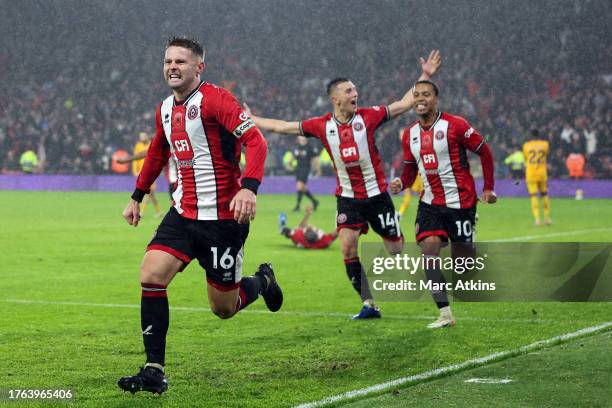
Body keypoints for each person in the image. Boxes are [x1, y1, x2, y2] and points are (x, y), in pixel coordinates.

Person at [117, 37, 283, 395]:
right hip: (183, 214)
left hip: (223, 221)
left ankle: (263, 282)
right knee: (151, 274)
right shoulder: (164, 108)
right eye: (167, 62)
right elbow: (158, 152)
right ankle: (153, 370)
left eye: (180, 61)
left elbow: (257, 142)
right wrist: (137, 196)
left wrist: (249, 188)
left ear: (198, 68)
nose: (172, 67)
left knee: (224, 308)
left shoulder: (217, 100)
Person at [245, 50, 441, 319]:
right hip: (348, 198)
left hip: (377, 196)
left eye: (355, 90)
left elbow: (403, 103)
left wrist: (425, 76)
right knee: (347, 247)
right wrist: (252, 119)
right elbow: (283, 127)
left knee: (396, 250)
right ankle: (369, 305)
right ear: (336, 98)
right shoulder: (321, 126)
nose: (355, 94)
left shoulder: (368, 117)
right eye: (349, 90)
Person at [390, 80, 496, 329]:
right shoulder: (410, 134)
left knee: (465, 265)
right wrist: (400, 184)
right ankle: (445, 314)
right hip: (429, 203)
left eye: (426, 94)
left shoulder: (455, 125)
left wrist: (488, 188)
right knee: (429, 253)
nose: (420, 99)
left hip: (461, 201)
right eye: (416, 95)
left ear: (436, 99)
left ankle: (470, 232)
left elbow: (485, 151)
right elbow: (409, 171)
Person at [117, 132, 162, 217]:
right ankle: (158, 211)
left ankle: (142, 212)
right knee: (151, 194)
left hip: (151, 172)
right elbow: (136, 158)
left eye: (143, 136)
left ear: (146, 137)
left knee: (149, 193)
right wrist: (135, 171)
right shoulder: (138, 145)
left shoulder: (151, 144)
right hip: (142, 173)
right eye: (140, 137)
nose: (142, 138)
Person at [522, 129, 551, 225]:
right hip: (542, 172)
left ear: (530, 136)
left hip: (531, 173)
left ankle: (537, 219)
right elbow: (546, 154)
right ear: (539, 135)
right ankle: (546, 218)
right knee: (544, 194)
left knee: (534, 195)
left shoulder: (526, 145)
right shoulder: (545, 144)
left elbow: (526, 158)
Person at [292, 136, 320, 212]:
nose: (302, 137)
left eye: (303, 136)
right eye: (300, 136)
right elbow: (294, 156)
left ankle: (297, 206)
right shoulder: (297, 147)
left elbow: (315, 158)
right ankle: (315, 201)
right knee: (302, 188)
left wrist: (317, 169)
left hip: (305, 168)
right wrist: (290, 162)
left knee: (299, 186)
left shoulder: (310, 147)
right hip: (298, 168)